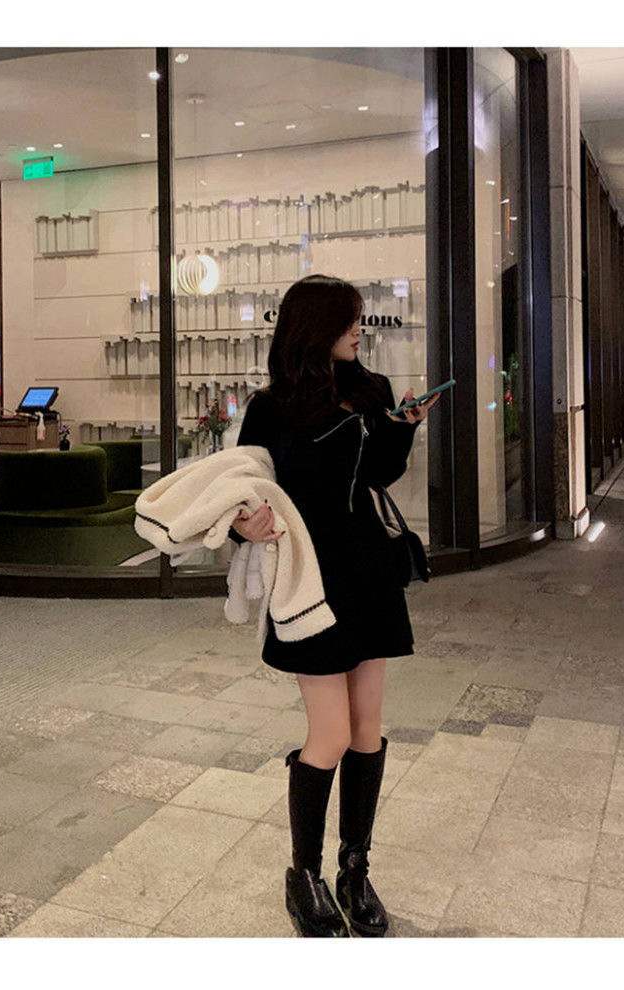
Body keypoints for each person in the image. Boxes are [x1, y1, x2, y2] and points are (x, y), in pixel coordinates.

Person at [228, 274, 439, 937]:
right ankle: (305, 876)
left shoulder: (371, 389)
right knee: (332, 733)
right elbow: (242, 488)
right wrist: (244, 524)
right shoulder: (271, 407)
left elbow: (379, 474)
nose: (359, 329)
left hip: (369, 572)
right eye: (349, 320)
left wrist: (403, 428)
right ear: (315, 328)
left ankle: (354, 871)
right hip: (308, 580)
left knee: (367, 729)